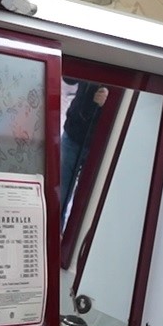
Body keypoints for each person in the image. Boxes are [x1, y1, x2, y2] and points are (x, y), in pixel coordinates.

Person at [59, 80, 108, 221]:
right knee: (59, 195)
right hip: (73, 132)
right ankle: (54, 233)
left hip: (100, 144)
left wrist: (109, 101)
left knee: (87, 201)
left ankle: (72, 234)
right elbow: (69, 78)